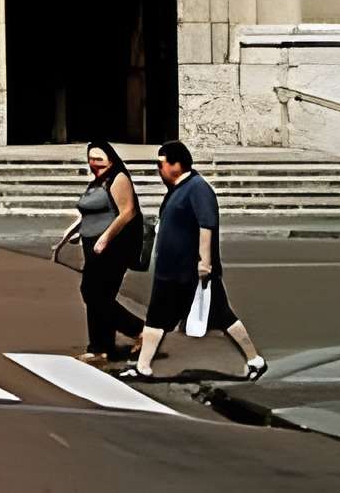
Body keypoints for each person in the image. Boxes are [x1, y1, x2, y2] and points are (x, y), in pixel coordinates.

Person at [128, 142, 264, 382]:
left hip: (191, 271)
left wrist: (205, 262)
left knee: (223, 316)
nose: (158, 170)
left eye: (161, 164)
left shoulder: (198, 188)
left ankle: (255, 360)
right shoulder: (177, 188)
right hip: (170, 271)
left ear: (177, 164)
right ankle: (143, 367)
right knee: (157, 318)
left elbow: (206, 225)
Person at [57, 140, 143, 363]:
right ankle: (103, 348)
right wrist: (72, 233)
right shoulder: (97, 181)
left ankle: (133, 331)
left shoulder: (118, 178)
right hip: (93, 246)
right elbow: (88, 212)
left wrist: (105, 238)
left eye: (99, 159)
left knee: (93, 293)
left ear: (111, 159)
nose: (94, 163)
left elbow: (128, 212)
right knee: (97, 296)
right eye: (91, 159)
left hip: (113, 247)